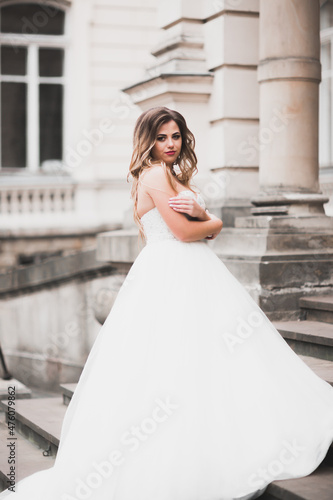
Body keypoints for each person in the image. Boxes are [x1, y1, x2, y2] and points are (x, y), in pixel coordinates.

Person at [1, 106, 333, 500]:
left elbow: (198, 234)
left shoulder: (171, 174)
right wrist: (212, 219)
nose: (171, 144)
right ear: (149, 141)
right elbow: (186, 231)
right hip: (173, 271)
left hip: (189, 270)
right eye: (162, 138)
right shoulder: (156, 174)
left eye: (176, 136)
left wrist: (202, 220)